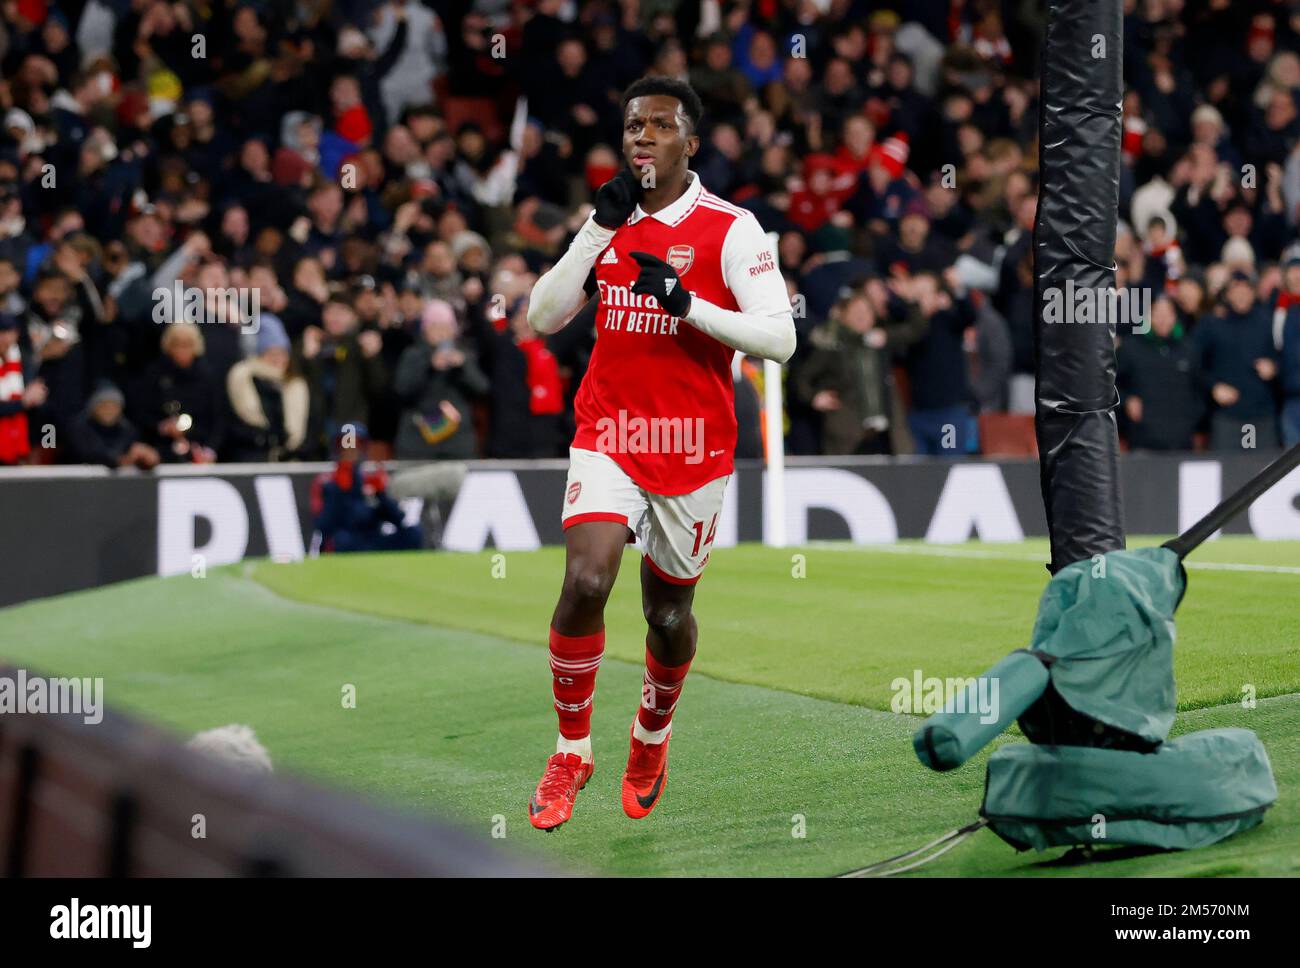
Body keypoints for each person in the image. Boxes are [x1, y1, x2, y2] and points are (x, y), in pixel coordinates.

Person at [524, 77, 795, 830]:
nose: (642, 136)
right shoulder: (606, 220)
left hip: (693, 446)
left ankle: (651, 734)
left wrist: (690, 306)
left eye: (660, 125)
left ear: (691, 143)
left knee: (667, 612)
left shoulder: (732, 228)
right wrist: (592, 234)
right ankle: (572, 751)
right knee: (586, 577)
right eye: (633, 124)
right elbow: (543, 318)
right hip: (610, 431)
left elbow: (781, 338)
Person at [392, 299, 487, 460]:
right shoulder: (413, 355)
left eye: (446, 326)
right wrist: (429, 366)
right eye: (435, 326)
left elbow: (482, 389)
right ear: (425, 329)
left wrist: (462, 366)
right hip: (418, 444)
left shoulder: (463, 355)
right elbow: (402, 390)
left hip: (457, 444)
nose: (441, 332)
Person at [313, 424, 422, 553]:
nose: (351, 453)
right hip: (347, 540)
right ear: (338, 450)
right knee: (341, 540)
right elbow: (323, 526)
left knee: (413, 533)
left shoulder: (370, 478)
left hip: (372, 539)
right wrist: (339, 491)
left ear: (362, 449)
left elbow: (398, 519)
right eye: (346, 448)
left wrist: (381, 495)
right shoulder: (326, 482)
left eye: (355, 447)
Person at [1117, 295, 1203, 450]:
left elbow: (1200, 390)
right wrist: (1126, 400)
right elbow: (1109, 385)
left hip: (1181, 442)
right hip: (1142, 441)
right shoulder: (1130, 348)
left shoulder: (1189, 349)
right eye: (1157, 314)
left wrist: (1191, 421)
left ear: (1175, 317)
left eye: (1167, 314)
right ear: (1148, 316)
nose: (1162, 319)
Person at [67, 383, 160, 469]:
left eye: (114, 406)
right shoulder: (80, 429)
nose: (109, 411)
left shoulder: (128, 430)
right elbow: (89, 455)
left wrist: (146, 456)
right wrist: (121, 460)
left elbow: (137, 453)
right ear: (93, 408)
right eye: (104, 406)